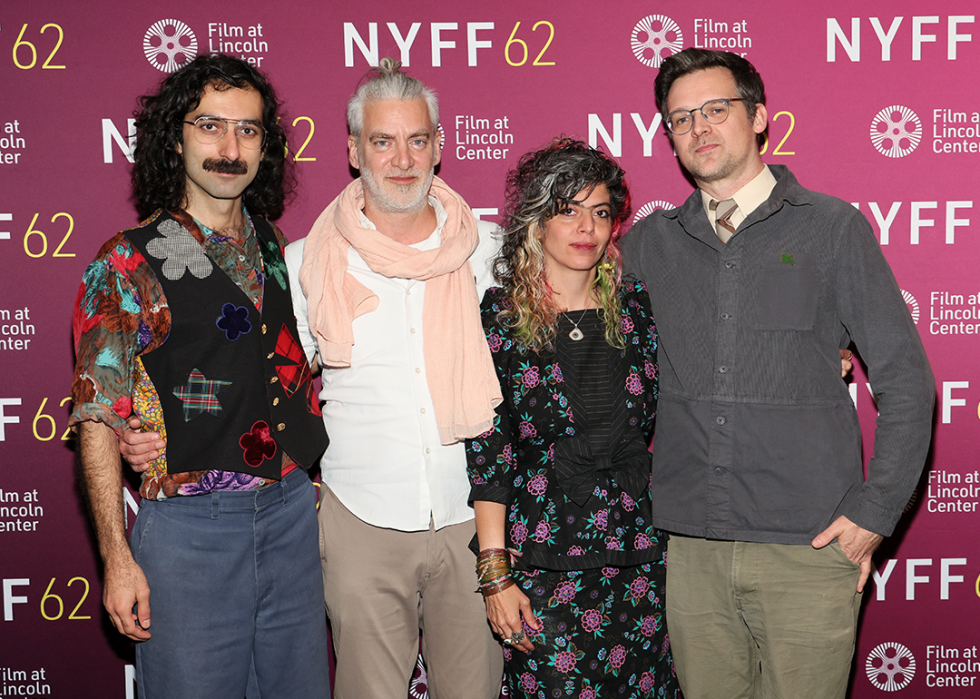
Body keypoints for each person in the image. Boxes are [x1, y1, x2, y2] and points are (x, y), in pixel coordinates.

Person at [623, 48, 935, 699]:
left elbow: (907, 381)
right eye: (681, 118)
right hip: (694, 550)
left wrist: (876, 512)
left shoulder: (833, 229)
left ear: (759, 117)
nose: (699, 128)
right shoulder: (650, 244)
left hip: (810, 545)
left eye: (716, 109)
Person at [71, 54, 330, 699]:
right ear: (176, 136)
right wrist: (117, 559)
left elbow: (267, 364)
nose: (229, 147)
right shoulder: (127, 262)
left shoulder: (270, 244)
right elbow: (98, 414)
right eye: (210, 126)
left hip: (292, 517)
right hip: (192, 533)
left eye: (247, 130)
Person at [285, 58, 504, 699]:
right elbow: (272, 393)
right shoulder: (308, 262)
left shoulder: (487, 251)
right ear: (354, 151)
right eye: (382, 141)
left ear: (440, 146)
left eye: (417, 140)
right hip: (360, 521)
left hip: (472, 519)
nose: (402, 159)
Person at [467, 138, 680, 699]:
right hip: (543, 563)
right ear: (537, 222)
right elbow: (490, 452)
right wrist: (496, 576)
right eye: (569, 209)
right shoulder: (498, 318)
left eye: (601, 211)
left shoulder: (639, 309)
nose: (587, 226)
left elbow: (714, 368)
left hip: (644, 557)